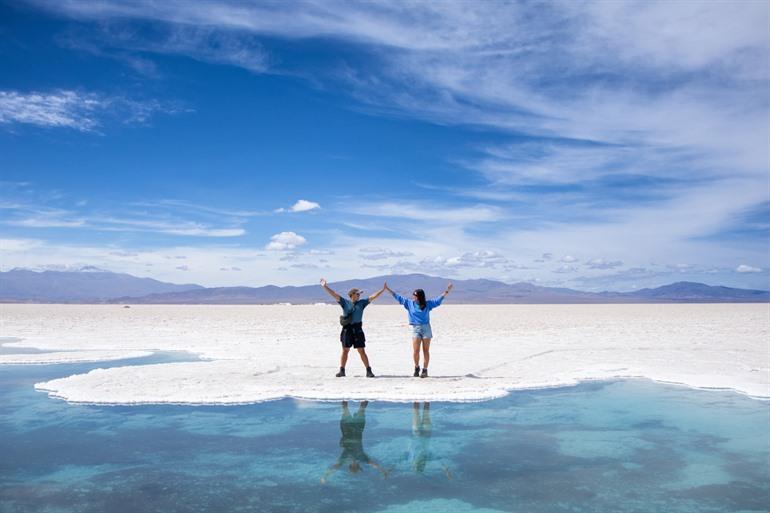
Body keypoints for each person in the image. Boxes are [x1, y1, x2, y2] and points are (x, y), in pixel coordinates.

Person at [385, 282, 453, 378]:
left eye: (415, 295)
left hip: (426, 328)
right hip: (416, 328)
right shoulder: (409, 303)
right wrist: (387, 289)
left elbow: (438, 300)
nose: (413, 297)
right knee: (416, 351)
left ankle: (425, 370)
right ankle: (417, 367)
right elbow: (398, 297)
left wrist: (447, 290)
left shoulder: (427, 304)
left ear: (420, 297)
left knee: (426, 350)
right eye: (413, 295)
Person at [321, 278, 386, 378]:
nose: (359, 295)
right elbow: (334, 294)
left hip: (357, 329)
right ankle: (342, 370)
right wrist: (325, 286)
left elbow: (373, 297)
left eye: (360, 294)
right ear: (352, 295)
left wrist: (382, 290)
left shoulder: (362, 303)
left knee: (361, 350)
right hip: (347, 329)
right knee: (345, 350)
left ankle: (368, 370)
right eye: (357, 294)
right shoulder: (345, 302)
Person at [321, 401, 388, 483]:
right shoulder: (362, 458)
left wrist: (325, 476)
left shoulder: (346, 459)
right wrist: (383, 471)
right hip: (355, 429)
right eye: (356, 467)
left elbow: (335, 467)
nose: (355, 465)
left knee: (348, 406)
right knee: (361, 406)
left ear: (350, 466)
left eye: (354, 467)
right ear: (358, 465)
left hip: (349, 429)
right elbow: (374, 464)